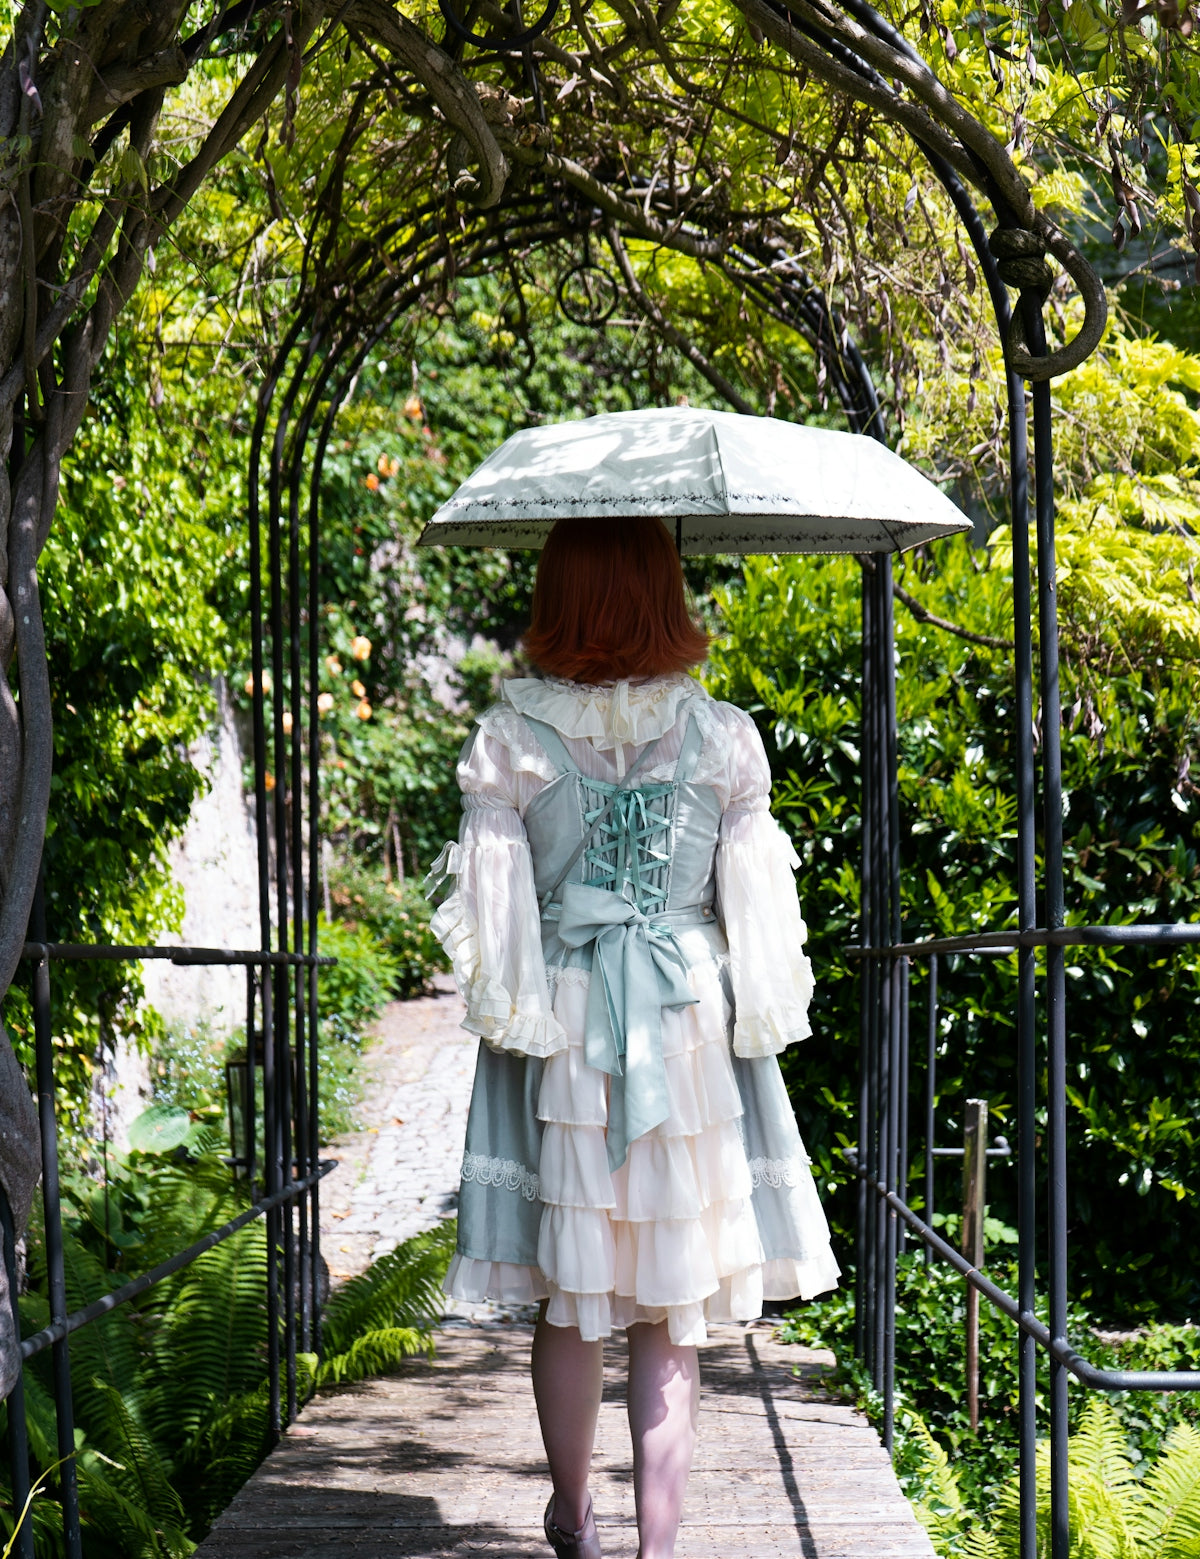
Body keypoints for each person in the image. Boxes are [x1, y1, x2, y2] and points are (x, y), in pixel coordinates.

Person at [427, 516, 839, 1559]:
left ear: (558, 596)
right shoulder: (724, 736)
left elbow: (498, 919)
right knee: (669, 1299)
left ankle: (574, 1517)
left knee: (572, 1295)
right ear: (666, 591)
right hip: (685, 1023)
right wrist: (761, 1013)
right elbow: (755, 913)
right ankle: (662, 1545)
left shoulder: (512, 739)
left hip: (566, 1018)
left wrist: (513, 1013)